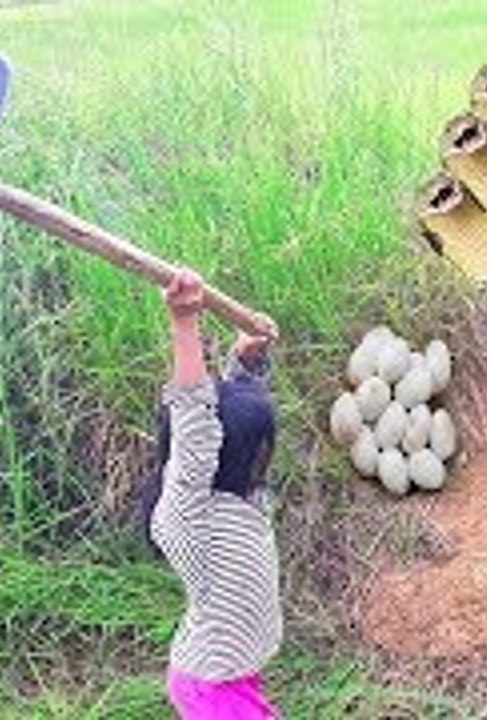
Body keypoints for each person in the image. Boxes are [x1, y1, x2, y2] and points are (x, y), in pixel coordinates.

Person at [143, 268, 283, 719]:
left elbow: (231, 408)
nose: (262, 458)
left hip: (234, 671)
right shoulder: (190, 511)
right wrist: (184, 323)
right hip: (211, 685)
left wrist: (245, 359)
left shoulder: (239, 494)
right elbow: (197, 426)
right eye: (255, 450)